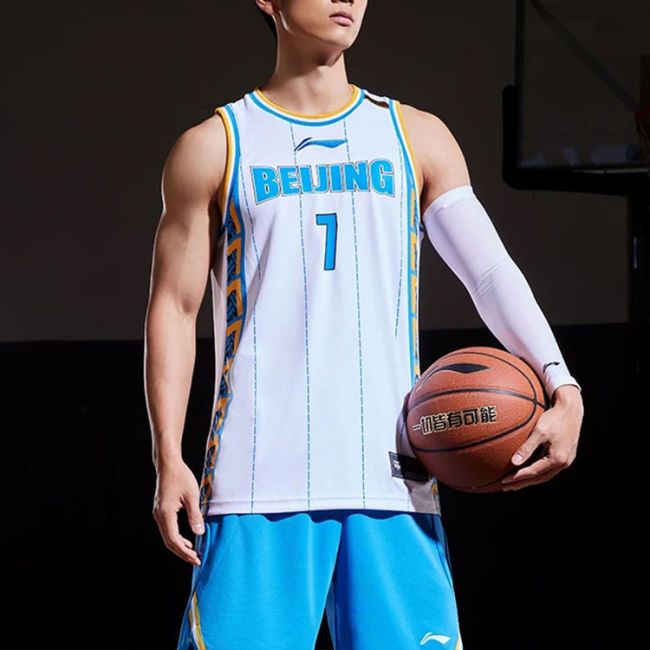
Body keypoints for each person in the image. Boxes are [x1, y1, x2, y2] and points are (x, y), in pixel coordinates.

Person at [143, 1, 585, 648]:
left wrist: (561, 383)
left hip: (392, 479)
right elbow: (175, 309)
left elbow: (489, 273)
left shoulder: (416, 137)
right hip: (256, 482)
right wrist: (168, 457)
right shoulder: (214, 146)